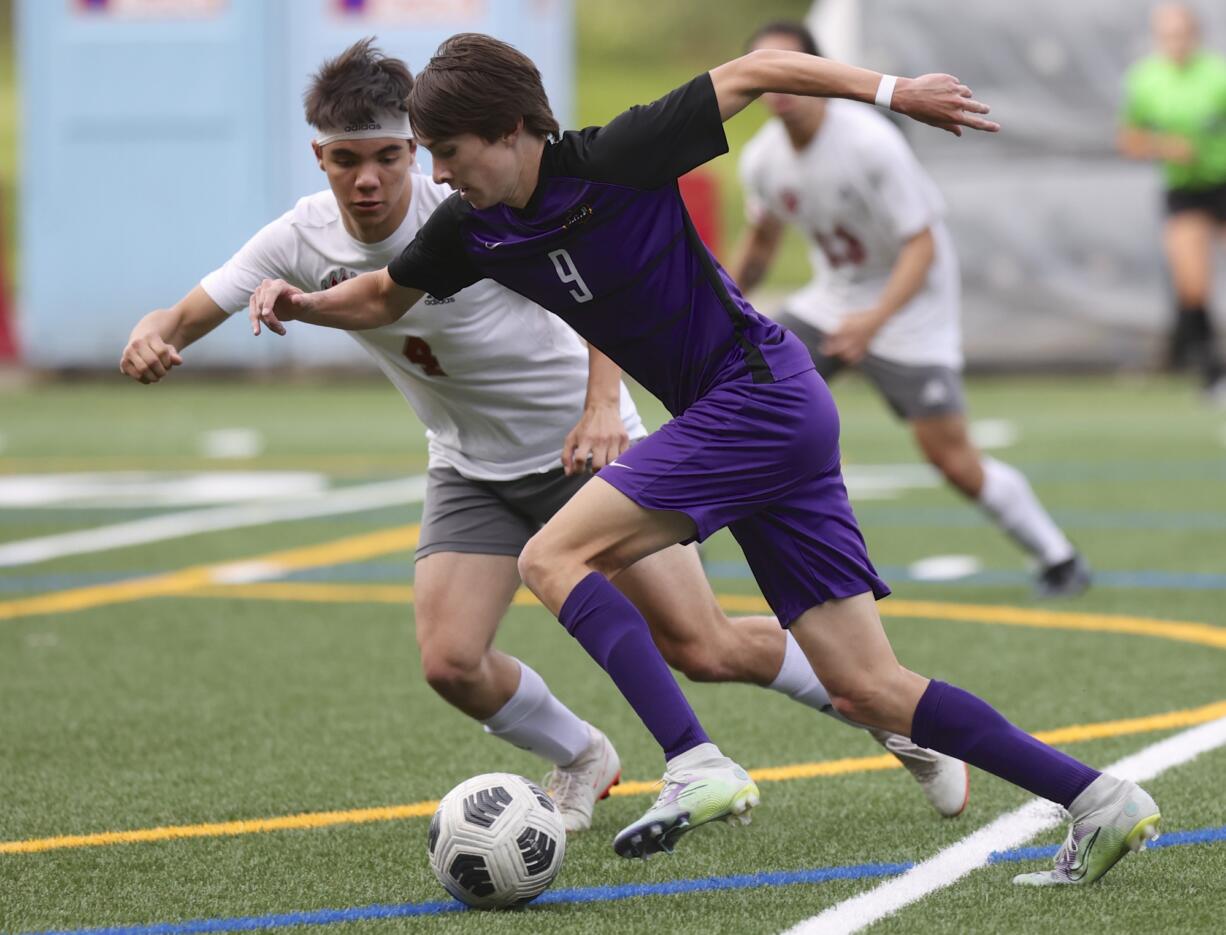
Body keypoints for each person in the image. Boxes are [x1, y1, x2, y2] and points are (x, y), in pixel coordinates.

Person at [250, 33, 1159, 884]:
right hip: (762, 416)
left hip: (757, 395)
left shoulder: (618, 156)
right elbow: (380, 296)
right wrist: (302, 304)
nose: (438, 173)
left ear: (514, 130)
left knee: (550, 557)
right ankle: (1098, 797)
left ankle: (694, 760)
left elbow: (756, 70)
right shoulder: (472, 228)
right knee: (867, 685)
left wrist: (894, 93)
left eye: (447, 150)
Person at [120, 39, 967, 835]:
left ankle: (883, 711)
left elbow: (602, 275)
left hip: (580, 445)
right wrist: (158, 334)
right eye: (348, 160)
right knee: (450, 660)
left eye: (390, 155)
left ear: (416, 151)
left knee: (702, 646)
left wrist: (605, 401)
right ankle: (584, 756)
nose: (371, 178)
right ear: (321, 160)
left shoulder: (480, 195)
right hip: (469, 467)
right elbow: (204, 310)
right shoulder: (307, 238)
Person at [730, 21, 1089, 598]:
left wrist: (873, 324)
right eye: (764, 71)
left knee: (951, 459)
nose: (779, 84)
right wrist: (723, 300)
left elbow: (922, 245)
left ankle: (1058, 557)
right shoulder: (763, 160)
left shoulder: (869, 142)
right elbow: (763, 240)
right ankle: (790, 547)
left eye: (791, 68)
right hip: (835, 299)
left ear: (818, 73)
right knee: (751, 391)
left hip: (910, 308)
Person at [1118, 2, 1226, 400]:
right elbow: (1128, 139)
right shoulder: (1145, 79)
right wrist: (1165, 146)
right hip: (1185, 192)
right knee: (1193, 285)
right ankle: (1213, 376)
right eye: (1166, 35)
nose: (1174, 43)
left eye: (1180, 34)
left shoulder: (1218, 74)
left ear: (1195, 34)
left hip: (1223, 182)